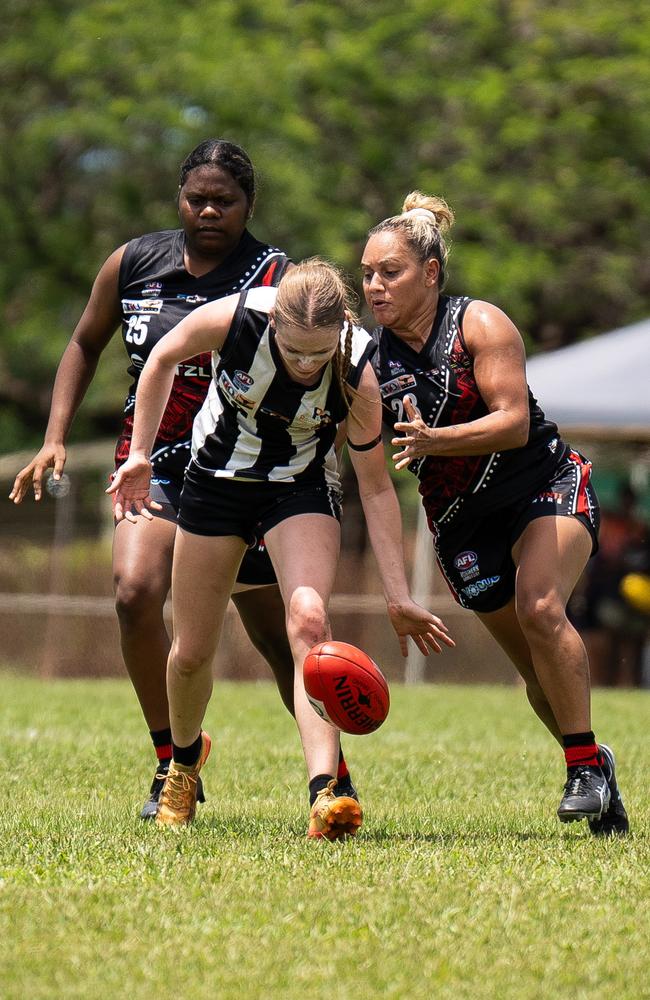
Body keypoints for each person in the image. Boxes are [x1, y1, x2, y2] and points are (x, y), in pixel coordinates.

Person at [9, 139, 358, 820]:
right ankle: (175, 762)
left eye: (223, 200)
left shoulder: (276, 277)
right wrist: (54, 437)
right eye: (196, 197)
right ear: (179, 196)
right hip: (158, 460)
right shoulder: (135, 262)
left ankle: (332, 781)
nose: (207, 210)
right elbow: (85, 341)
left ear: (247, 204)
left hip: (252, 467)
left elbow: (331, 371)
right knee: (136, 592)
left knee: (282, 633)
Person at [108, 258, 455, 838]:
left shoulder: (359, 364)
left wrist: (398, 594)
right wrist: (140, 451)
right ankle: (182, 764)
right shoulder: (238, 318)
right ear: (274, 325)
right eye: (293, 352)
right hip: (217, 480)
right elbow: (163, 357)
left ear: (340, 331)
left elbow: (375, 485)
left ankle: (326, 793)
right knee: (192, 650)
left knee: (309, 624)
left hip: (300, 487)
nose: (304, 365)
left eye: (318, 355)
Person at [361, 192, 629, 836]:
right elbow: (372, 483)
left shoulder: (480, 324)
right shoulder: (366, 364)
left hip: (545, 485)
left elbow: (511, 424)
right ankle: (593, 762)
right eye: (365, 273)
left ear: (429, 272)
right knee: (539, 673)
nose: (373, 285)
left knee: (542, 608)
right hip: (461, 522)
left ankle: (581, 771)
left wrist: (433, 441)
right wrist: (397, 593)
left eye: (388, 272)